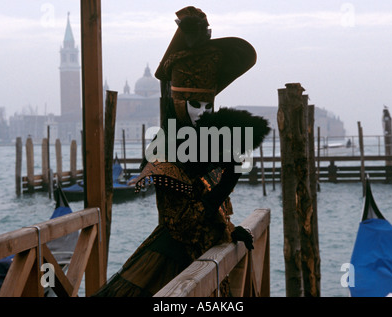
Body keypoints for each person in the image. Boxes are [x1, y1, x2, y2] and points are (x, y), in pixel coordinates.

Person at [93, 6, 270, 297]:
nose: (202, 114)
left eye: (207, 106)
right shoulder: (164, 149)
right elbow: (184, 223)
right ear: (177, 103)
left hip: (205, 263)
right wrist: (224, 185)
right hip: (170, 264)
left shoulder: (210, 143)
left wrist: (229, 230)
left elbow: (213, 215)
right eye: (194, 105)